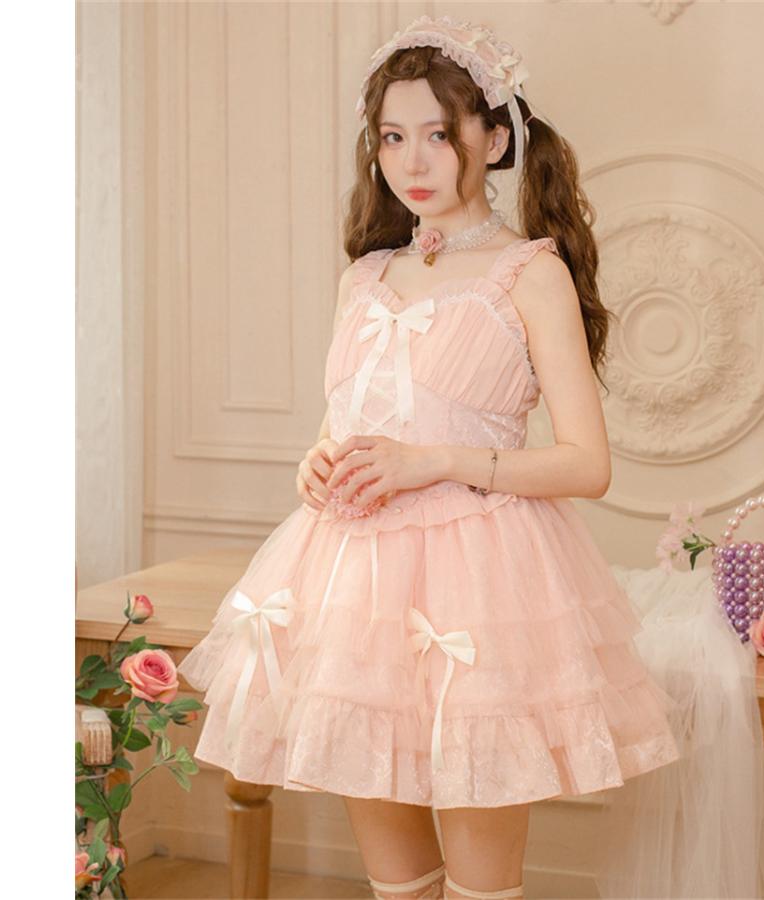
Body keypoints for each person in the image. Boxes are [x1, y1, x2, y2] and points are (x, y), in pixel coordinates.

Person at [177, 15, 681, 899]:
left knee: (483, 888)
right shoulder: (365, 276)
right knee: (398, 884)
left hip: (481, 587)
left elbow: (585, 464)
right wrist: (315, 464)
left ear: (494, 139)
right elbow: (347, 423)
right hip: (353, 591)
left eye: (439, 135)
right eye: (392, 138)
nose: (412, 161)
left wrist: (435, 461)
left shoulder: (531, 273)